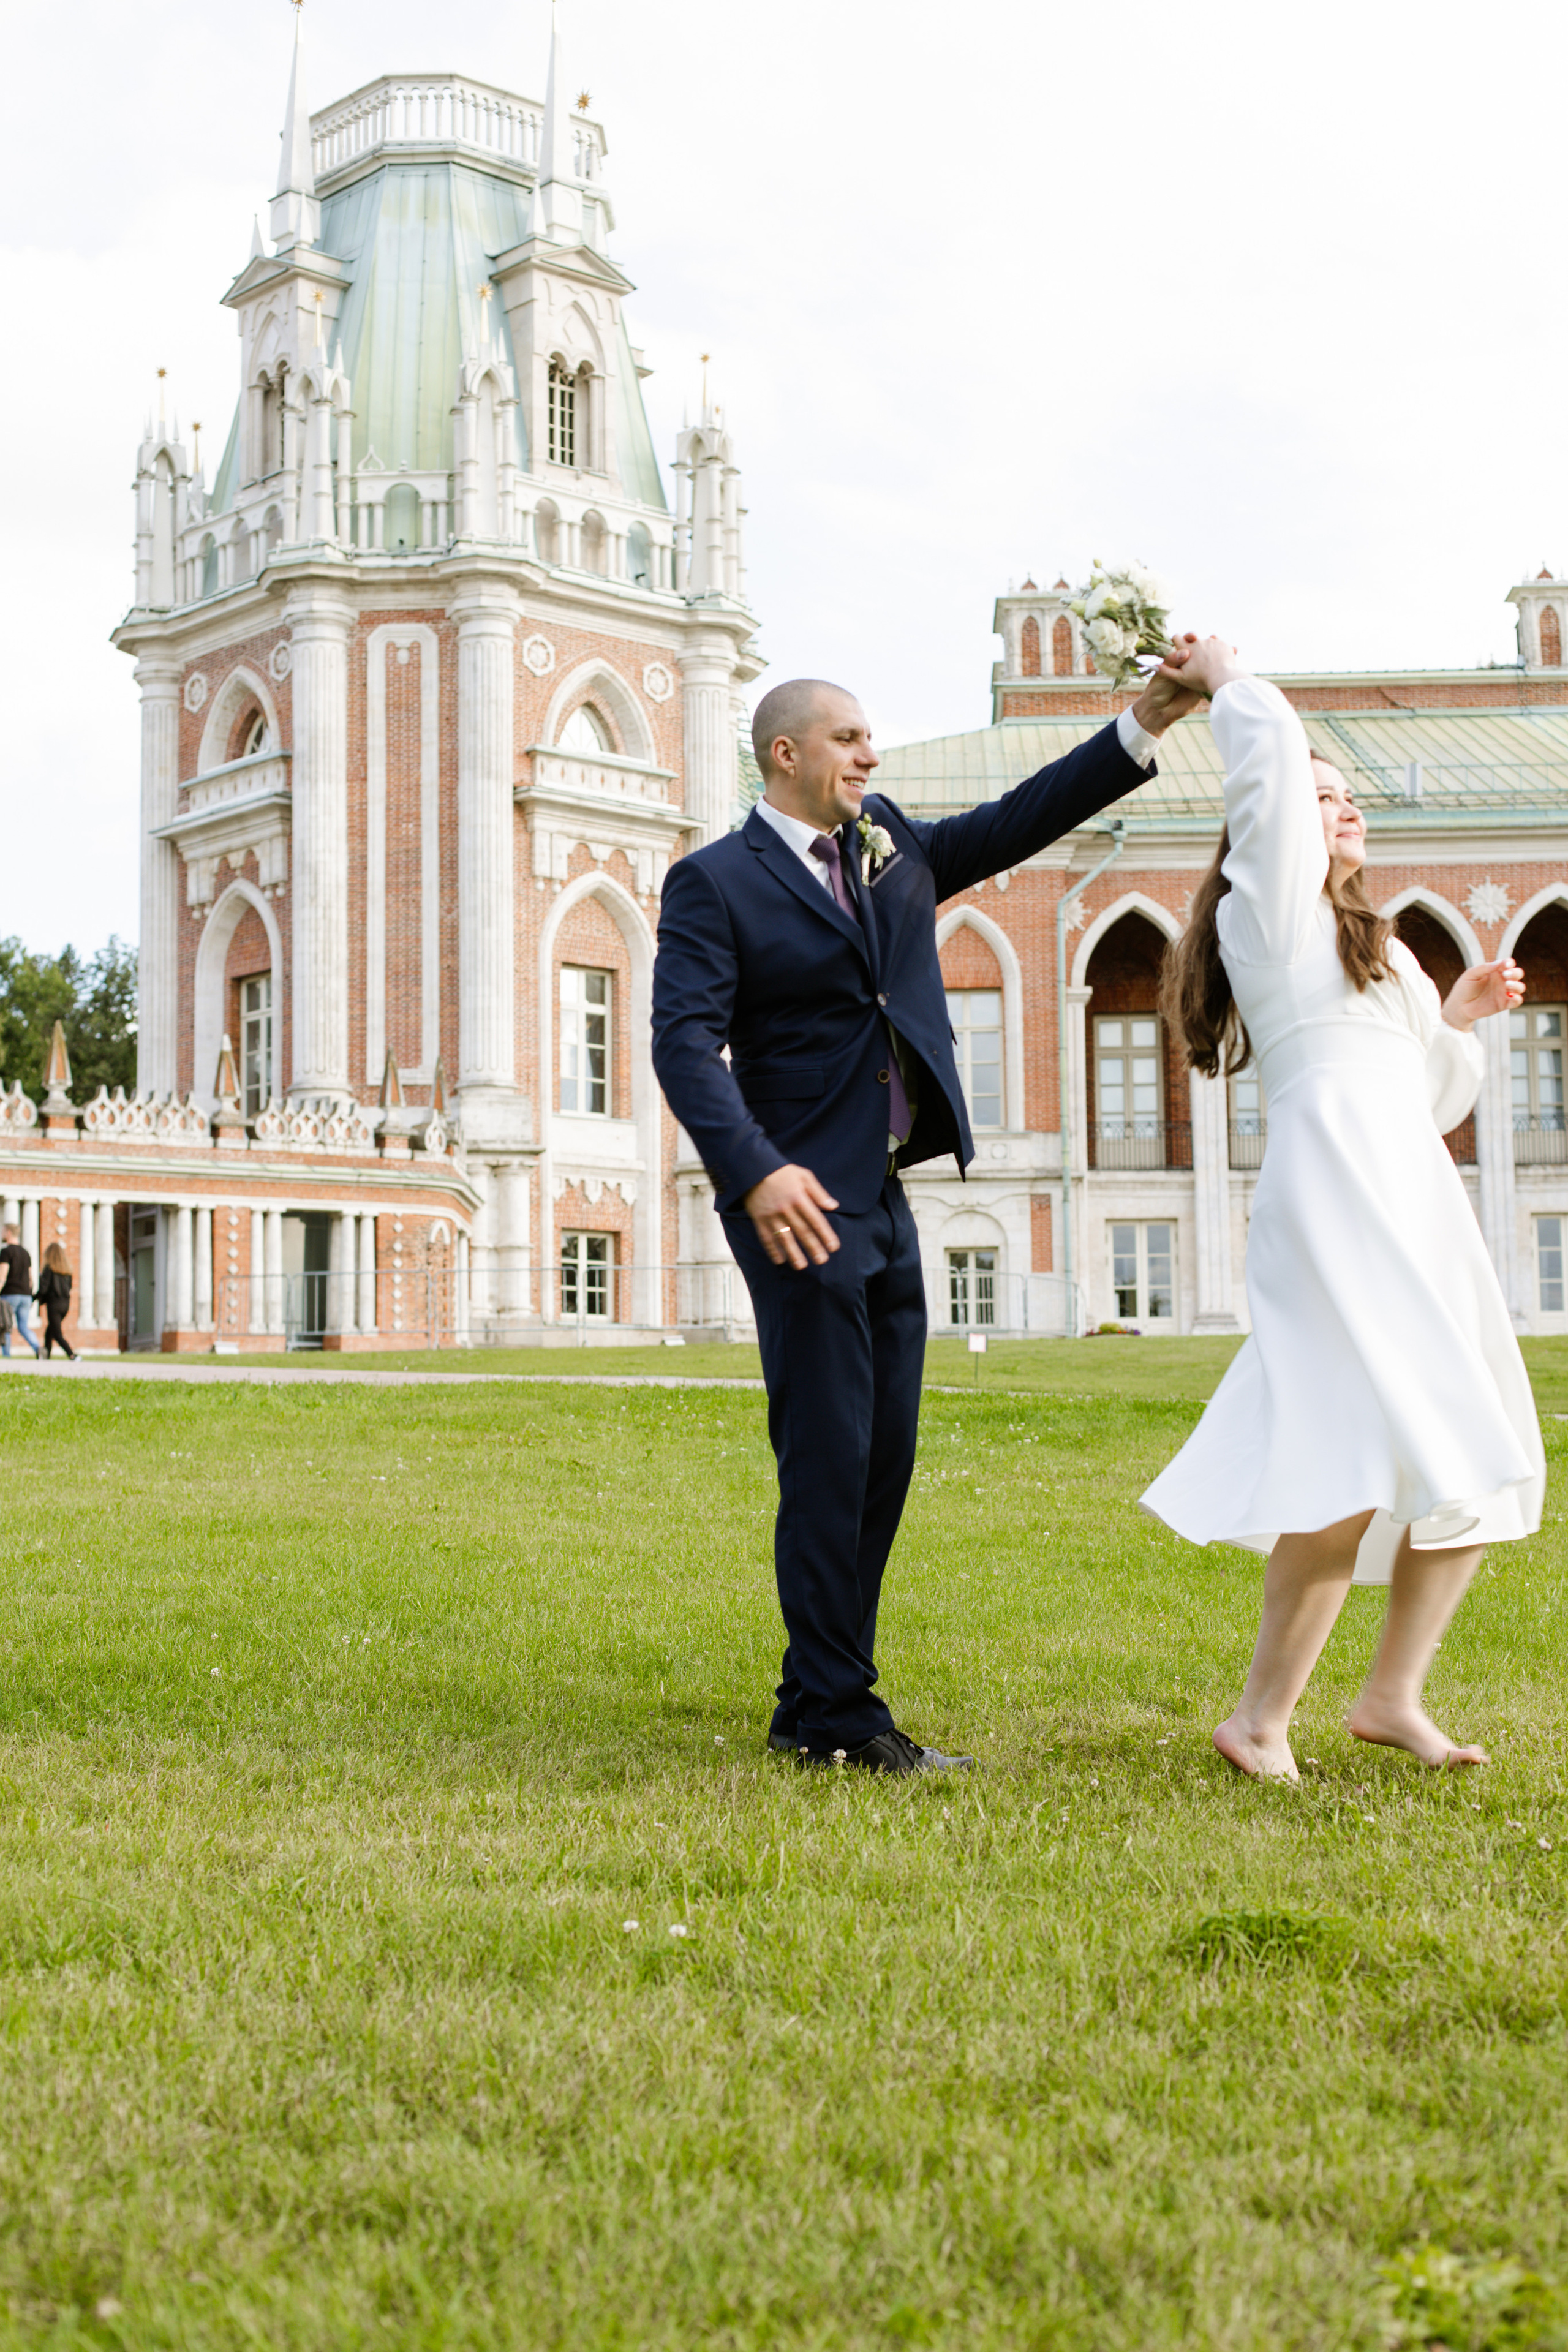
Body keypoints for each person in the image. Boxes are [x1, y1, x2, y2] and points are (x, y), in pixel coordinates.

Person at [652, 658, 1203, 1771]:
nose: (871, 756)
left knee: (883, 1457)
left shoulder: (890, 842)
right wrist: (756, 1171)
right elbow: (680, 1043)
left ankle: (812, 1702)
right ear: (787, 754)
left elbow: (1021, 817)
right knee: (828, 1453)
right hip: (797, 1206)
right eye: (850, 738)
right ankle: (845, 1721)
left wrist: (1144, 722)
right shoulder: (716, 881)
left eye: (873, 739)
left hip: (889, 1190)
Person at [1140, 641, 1544, 1780]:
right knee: (1345, 1456)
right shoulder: (1265, 915)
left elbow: (1428, 1096)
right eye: (1324, 797)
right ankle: (1261, 1720)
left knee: (1480, 1445)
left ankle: (1392, 1697)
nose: (1344, 808)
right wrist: (1230, 684)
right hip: (1332, 1197)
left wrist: (1455, 1016)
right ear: (1269, 828)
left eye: (1352, 796)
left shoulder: (1387, 951)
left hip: (1413, 1200)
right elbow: (1265, 771)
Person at [0, 1222, 40, 1360]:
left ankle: (6, 1355)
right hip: (26, 1296)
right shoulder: (26, 1253)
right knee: (23, 1327)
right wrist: (31, 1296)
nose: (2, 1234)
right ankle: (38, 1348)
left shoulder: (6, 1252)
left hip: (9, 1295)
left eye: (3, 1232)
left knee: (5, 1326)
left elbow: (2, 1276)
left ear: (9, 1233)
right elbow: (31, 1278)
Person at [34, 1242, 77, 1360]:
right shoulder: (67, 1271)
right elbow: (69, 1287)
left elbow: (43, 1288)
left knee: (57, 1334)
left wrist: (34, 1298)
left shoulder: (49, 1268)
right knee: (50, 1331)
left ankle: (72, 1355)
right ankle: (46, 1356)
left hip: (54, 1304)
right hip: (65, 1304)